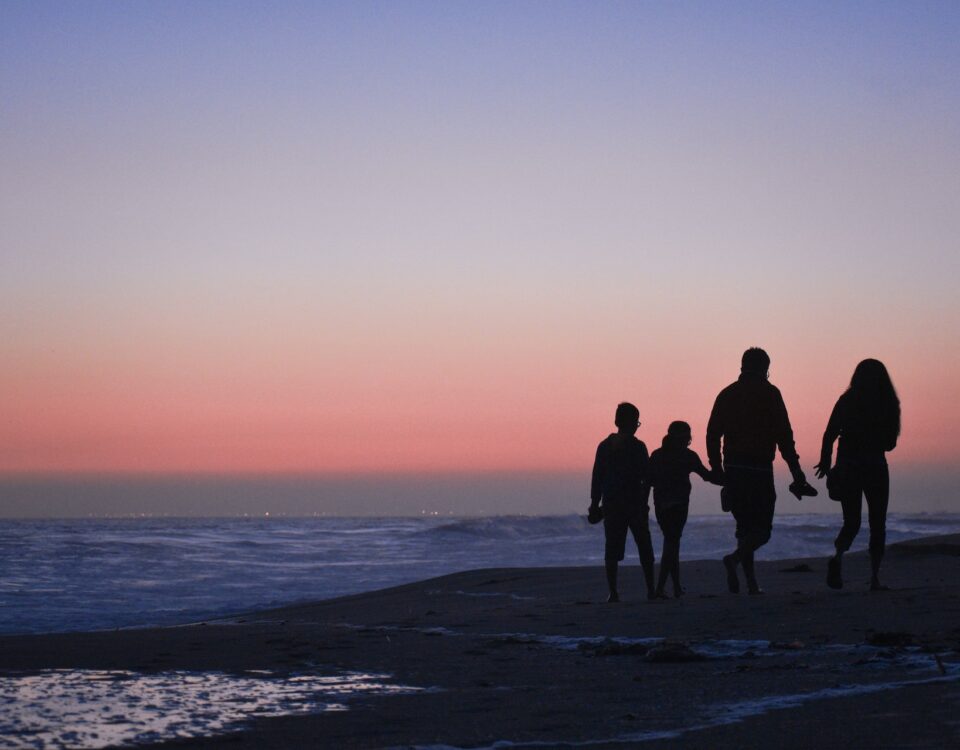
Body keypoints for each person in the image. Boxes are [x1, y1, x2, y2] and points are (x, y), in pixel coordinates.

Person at [707, 348, 814, 594]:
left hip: (733, 468)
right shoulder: (771, 394)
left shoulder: (727, 394)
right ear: (766, 368)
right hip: (759, 468)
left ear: (742, 365)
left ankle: (752, 583)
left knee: (744, 528)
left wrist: (716, 467)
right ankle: (734, 560)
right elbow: (784, 436)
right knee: (762, 531)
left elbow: (713, 433)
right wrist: (796, 470)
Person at [814, 359, 900, 591]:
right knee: (877, 523)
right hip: (875, 466)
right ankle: (874, 578)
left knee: (851, 521)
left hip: (848, 466)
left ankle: (839, 556)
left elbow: (829, 434)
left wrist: (825, 461)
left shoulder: (846, 400)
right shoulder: (888, 402)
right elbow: (890, 444)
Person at [589, 402, 656, 602]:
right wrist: (644, 501)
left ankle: (613, 592)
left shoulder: (604, 446)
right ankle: (650, 590)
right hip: (634, 503)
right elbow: (647, 477)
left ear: (617, 421)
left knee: (612, 548)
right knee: (644, 546)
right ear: (634, 423)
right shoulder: (638, 447)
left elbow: (597, 477)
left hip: (611, 504)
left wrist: (594, 504)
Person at [643, 421, 717, 599]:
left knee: (672, 543)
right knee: (672, 542)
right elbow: (707, 476)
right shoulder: (688, 456)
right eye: (687, 436)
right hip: (679, 504)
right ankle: (660, 588)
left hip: (660, 504)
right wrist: (725, 477)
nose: (689, 440)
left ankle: (675, 587)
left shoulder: (657, 455)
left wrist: (644, 503)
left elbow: (648, 482)